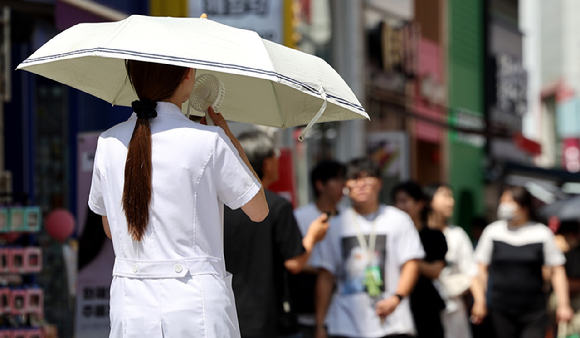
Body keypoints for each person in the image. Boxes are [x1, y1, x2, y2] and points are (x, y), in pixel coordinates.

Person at [88, 60, 269, 338]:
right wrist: (229, 138)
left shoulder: (108, 142)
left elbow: (112, 230)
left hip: (132, 305)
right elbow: (258, 210)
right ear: (188, 75)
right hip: (196, 303)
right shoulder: (210, 140)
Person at [223, 130, 330, 338]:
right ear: (266, 163)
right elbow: (294, 263)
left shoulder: (220, 205)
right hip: (269, 317)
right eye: (275, 156)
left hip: (226, 313)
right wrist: (313, 236)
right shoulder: (277, 206)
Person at [313, 158, 425, 338]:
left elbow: (411, 264)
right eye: (354, 178)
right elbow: (325, 276)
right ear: (345, 186)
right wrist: (320, 325)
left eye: (367, 178)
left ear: (379, 183)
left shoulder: (398, 219)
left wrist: (397, 298)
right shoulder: (335, 225)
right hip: (345, 324)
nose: (361, 184)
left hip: (393, 323)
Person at [475, 186, 573, 338]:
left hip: (534, 311)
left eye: (510, 201)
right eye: (503, 201)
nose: (504, 206)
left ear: (524, 206)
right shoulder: (493, 232)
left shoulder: (541, 233)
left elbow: (557, 270)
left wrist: (564, 305)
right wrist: (479, 300)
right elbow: (481, 268)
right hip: (500, 309)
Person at [423, 183, 486, 338]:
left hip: (453, 306)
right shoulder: (415, 234)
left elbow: (471, 271)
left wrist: (479, 301)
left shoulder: (457, 234)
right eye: (444, 196)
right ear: (427, 200)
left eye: (451, 197)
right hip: (423, 307)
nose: (451, 202)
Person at [292, 160, 346, 338]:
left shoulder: (348, 217)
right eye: (337, 180)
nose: (343, 185)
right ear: (320, 184)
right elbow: (291, 258)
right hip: (307, 302)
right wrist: (323, 269)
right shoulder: (300, 217)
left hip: (344, 308)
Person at [392, 181, 448, 338]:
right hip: (394, 302)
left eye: (404, 201)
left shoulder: (434, 236)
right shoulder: (391, 236)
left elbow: (436, 270)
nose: (400, 206)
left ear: (419, 203)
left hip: (425, 303)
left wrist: (411, 262)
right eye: (397, 202)